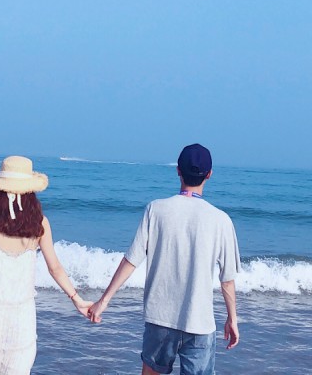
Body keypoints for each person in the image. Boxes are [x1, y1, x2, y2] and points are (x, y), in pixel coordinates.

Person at [88, 143, 241, 375]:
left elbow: (131, 260)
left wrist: (104, 301)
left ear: (178, 170)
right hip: (199, 322)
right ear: (209, 174)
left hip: (160, 318)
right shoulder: (221, 220)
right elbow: (227, 280)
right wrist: (232, 319)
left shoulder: (156, 210)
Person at [0, 155, 92, 375]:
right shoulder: (39, 223)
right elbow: (54, 267)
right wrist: (77, 299)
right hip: (20, 311)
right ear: (29, 191)